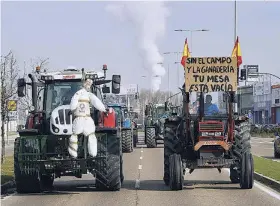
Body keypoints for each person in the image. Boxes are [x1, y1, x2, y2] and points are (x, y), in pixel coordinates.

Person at [68, 79, 107, 158]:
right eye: (88, 85)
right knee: (91, 135)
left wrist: (71, 110)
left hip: (78, 119)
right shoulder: (89, 95)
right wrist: (103, 109)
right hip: (87, 119)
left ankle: (73, 153)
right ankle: (93, 153)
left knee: (74, 135)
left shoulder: (77, 94)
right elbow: (97, 102)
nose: (89, 86)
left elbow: (73, 105)